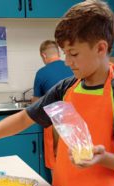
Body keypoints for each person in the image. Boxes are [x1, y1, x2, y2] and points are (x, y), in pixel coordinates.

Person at [0, 1, 114, 186]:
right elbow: (24, 118)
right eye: (65, 53)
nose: (67, 62)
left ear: (101, 49)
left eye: (74, 53)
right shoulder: (66, 88)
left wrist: (103, 158)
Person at [32, 40, 73, 171]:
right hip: (75, 121)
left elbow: (36, 104)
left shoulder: (41, 73)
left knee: (55, 164)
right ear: (58, 53)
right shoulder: (73, 66)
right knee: (73, 161)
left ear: (43, 55)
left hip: (53, 122)